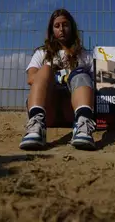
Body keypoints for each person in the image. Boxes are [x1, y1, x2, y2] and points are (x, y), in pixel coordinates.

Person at [21, 9, 97, 151]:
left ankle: (83, 126)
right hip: (48, 108)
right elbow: (31, 78)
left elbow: (99, 82)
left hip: (72, 108)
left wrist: (73, 77)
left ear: (72, 27)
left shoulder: (85, 55)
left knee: (81, 73)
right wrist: (56, 78)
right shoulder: (42, 53)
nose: (61, 29)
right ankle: (36, 126)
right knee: (45, 69)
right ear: (52, 30)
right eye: (57, 26)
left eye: (65, 25)